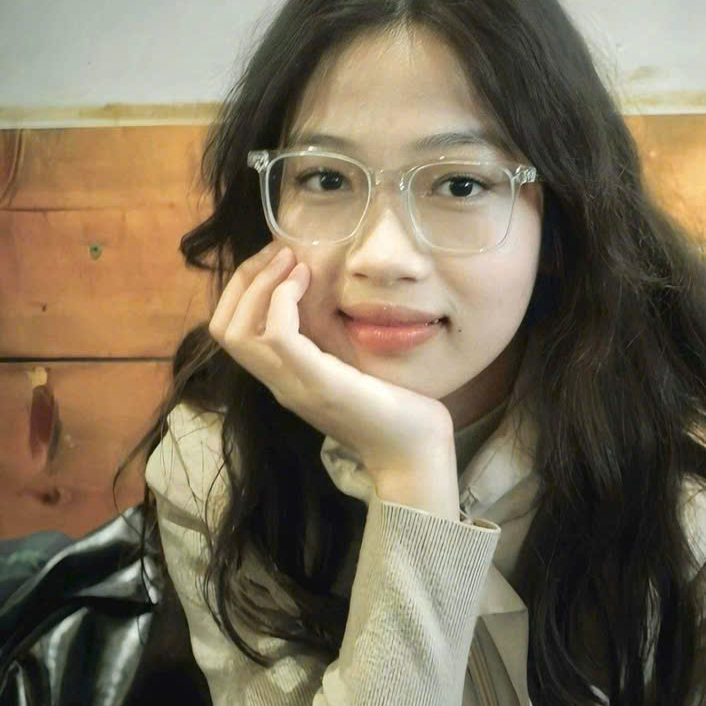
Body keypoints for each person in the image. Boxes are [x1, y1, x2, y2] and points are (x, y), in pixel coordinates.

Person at [128, 0, 706, 704]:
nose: (381, 256)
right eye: (326, 178)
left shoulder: (685, 467)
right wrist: (411, 477)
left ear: (560, 221)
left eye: (460, 184)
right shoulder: (214, 462)